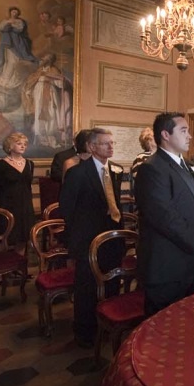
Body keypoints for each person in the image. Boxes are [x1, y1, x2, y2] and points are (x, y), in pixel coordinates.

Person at [135, 112, 194, 317]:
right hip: (167, 264)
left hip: (192, 260)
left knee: (187, 325)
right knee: (162, 329)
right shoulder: (152, 169)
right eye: (183, 131)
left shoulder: (189, 165)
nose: (190, 136)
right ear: (165, 134)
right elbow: (163, 216)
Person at [59, 128, 124, 348]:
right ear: (92, 147)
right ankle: (85, 331)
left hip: (111, 238)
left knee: (112, 280)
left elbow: (114, 203)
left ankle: (110, 324)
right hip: (87, 238)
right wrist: (73, 241)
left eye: (112, 143)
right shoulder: (78, 172)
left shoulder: (114, 170)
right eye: (106, 143)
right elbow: (66, 208)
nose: (111, 147)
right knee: (86, 286)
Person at [0, 132, 35, 254]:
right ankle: (1, 268)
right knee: (5, 237)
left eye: (24, 144)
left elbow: (28, 185)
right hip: (7, 205)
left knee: (23, 238)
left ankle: (20, 268)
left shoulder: (30, 164)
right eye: (19, 143)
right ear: (10, 146)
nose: (23, 146)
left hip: (25, 205)